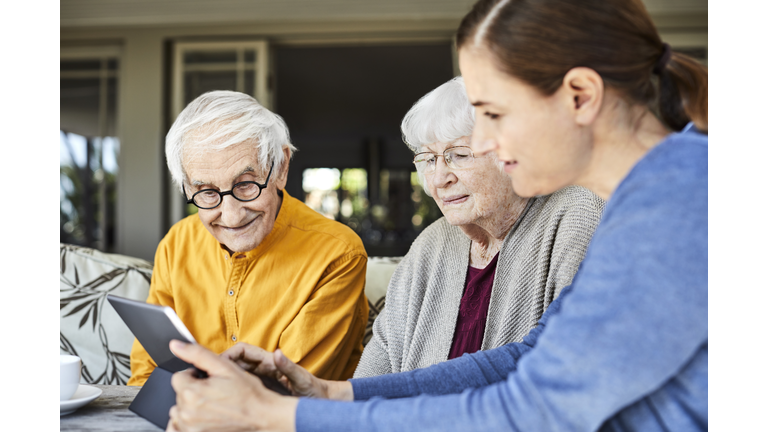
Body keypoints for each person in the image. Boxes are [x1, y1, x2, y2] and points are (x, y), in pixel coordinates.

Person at [165, 0, 708, 430]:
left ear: (581, 96)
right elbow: (526, 359)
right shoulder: (654, 193)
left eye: (493, 114)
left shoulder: (680, 204)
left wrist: (274, 416)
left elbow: (534, 414)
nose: (487, 142)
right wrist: (336, 394)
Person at [355, 76, 604, 378]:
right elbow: (379, 358)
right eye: (428, 160)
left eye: (458, 155)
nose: (438, 178)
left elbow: (569, 365)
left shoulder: (577, 215)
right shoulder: (430, 245)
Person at [127, 90, 369, 386]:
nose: (230, 217)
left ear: (280, 167)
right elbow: (147, 372)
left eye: (245, 184)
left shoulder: (336, 254)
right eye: (207, 192)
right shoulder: (177, 243)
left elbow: (293, 388)